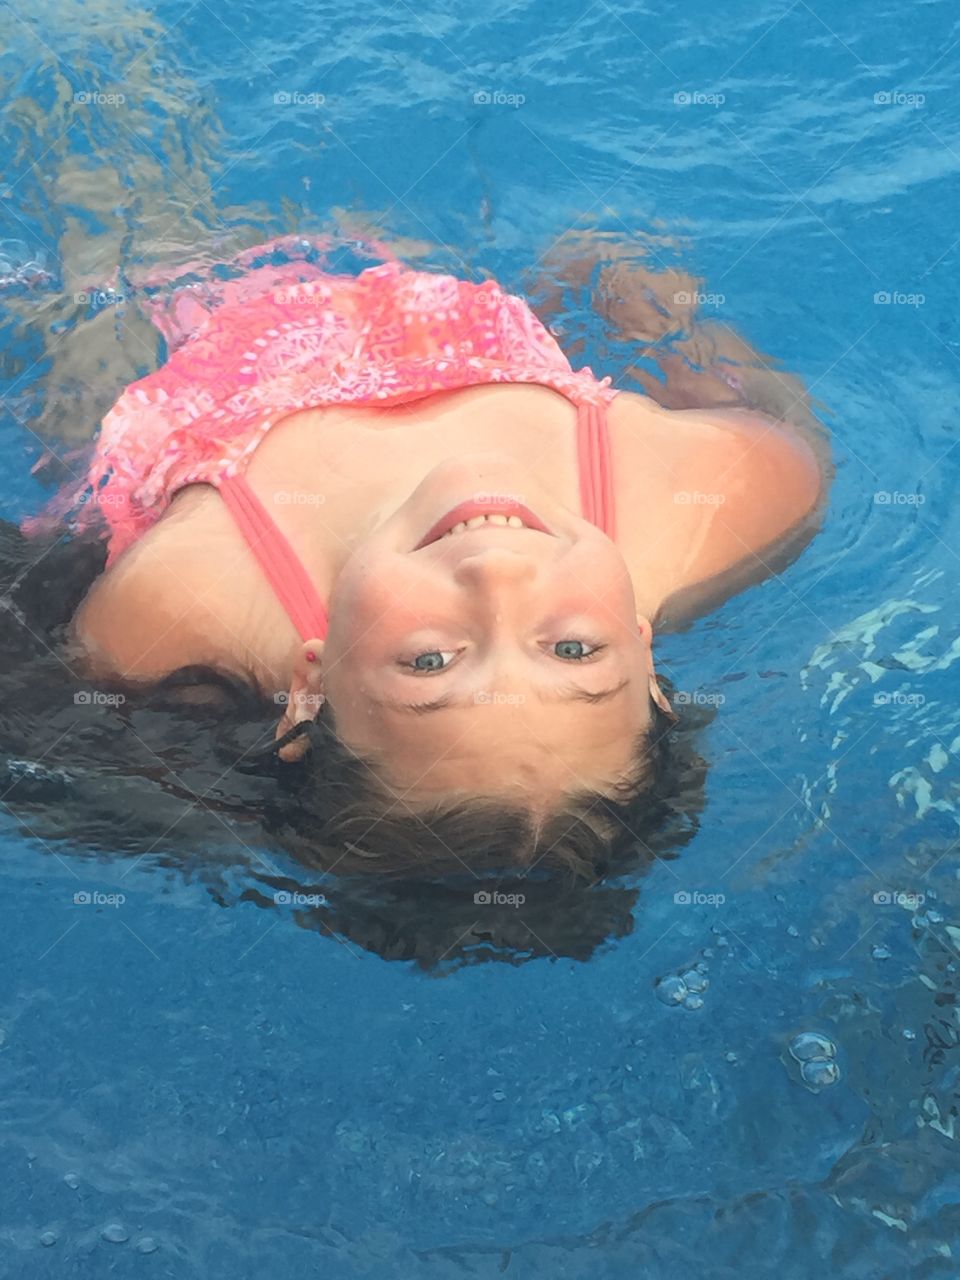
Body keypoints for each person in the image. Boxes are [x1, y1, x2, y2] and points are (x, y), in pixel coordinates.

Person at [23, 234, 828, 876]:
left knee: (97, 224)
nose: (498, 578)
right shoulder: (709, 499)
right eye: (575, 649)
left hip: (161, 336)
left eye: (431, 662)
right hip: (398, 267)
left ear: (310, 686)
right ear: (647, 663)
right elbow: (765, 400)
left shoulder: (187, 604)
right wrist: (644, 306)